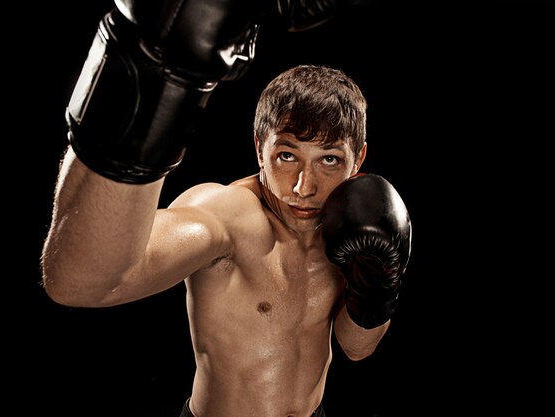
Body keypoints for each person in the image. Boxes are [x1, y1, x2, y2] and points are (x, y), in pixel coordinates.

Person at [41, 1, 411, 416]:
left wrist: (378, 285)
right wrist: (155, 74)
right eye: (286, 156)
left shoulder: (349, 222)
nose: (304, 188)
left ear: (357, 159)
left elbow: (357, 348)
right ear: (259, 149)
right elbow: (79, 282)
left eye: (328, 160)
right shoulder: (230, 216)